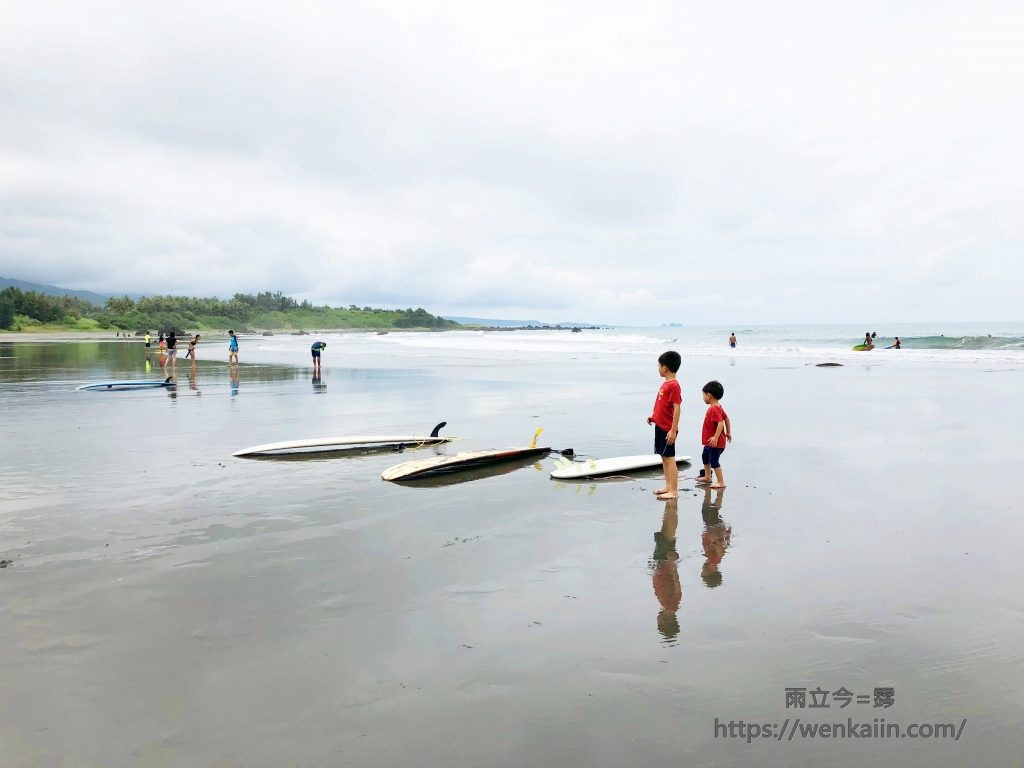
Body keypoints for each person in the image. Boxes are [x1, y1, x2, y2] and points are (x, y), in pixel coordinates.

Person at [646, 350, 682, 500]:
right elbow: (663, 406)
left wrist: (673, 430)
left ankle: (673, 490)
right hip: (660, 426)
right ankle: (668, 485)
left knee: (669, 458)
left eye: (659, 365)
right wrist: (653, 417)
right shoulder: (666, 384)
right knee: (663, 457)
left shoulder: (673, 385)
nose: (658, 368)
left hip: (668, 429)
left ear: (665, 367)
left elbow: (677, 407)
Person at [651, 498, 681, 641]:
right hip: (665, 563)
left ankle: (670, 507)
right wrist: (672, 564)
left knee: (665, 534)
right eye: (660, 623)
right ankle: (671, 506)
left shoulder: (668, 606)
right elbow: (677, 586)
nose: (658, 620)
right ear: (666, 622)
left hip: (662, 564)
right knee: (667, 535)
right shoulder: (671, 605)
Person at [696, 380, 730, 490]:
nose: (703, 397)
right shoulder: (718, 406)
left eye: (703, 395)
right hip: (710, 443)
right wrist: (728, 432)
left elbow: (720, 423)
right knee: (705, 457)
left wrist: (715, 437)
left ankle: (720, 482)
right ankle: (707, 477)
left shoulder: (714, 408)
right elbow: (726, 418)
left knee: (714, 461)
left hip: (715, 443)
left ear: (709, 395)